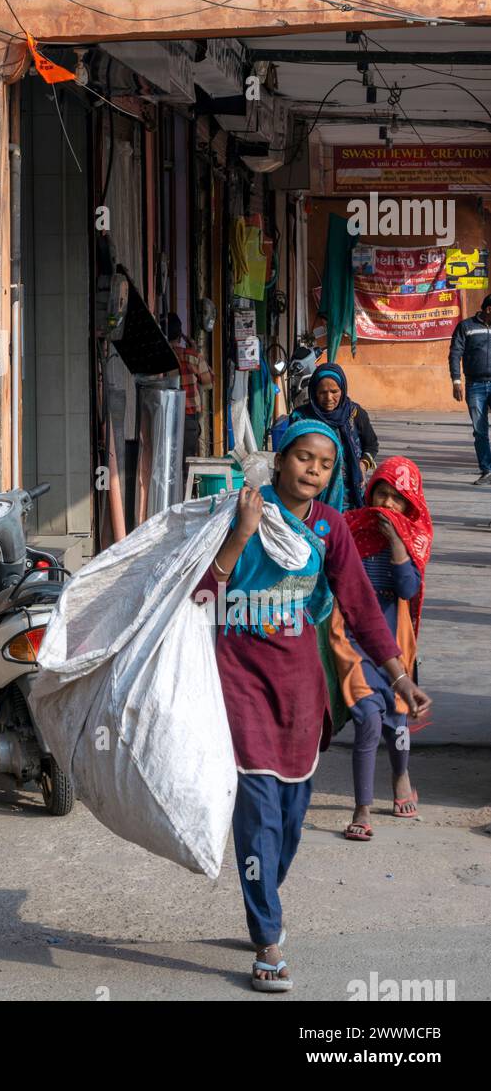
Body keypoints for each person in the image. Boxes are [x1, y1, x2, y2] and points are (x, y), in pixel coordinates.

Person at [194, 421, 430, 993]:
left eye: (324, 464)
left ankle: (263, 898)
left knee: (293, 811)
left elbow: (361, 606)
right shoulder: (241, 510)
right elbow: (201, 592)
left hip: (302, 683)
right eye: (303, 458)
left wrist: (399, 677)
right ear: (280, 462)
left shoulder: (328, 527)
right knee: (257, 804)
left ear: (333, 474)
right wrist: (242, 534)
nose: (313, 470)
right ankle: (267, 939)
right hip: (240, 674)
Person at [329, 456, 432, 841]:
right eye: (381, 493)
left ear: (410, 504)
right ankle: (362, 806)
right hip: (355, 638)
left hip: (394, 642)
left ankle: (401, 774)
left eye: (396, 498)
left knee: (398, 724)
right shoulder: (352, 528)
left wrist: (395, 543)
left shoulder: (414, 538)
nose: (387, 504)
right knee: (369, 721)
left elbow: (407, 589)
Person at [293, 363, 378, 509]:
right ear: (313, 392)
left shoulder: (355, 413)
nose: (329, 397)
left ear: (342, 390)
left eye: (334, 391)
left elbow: (371, 445)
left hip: (351, 494)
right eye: (322, 392)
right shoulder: (301, 417)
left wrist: (362, 465)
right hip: (313, 491)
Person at [449, 294, 491, 483]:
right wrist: (456, 381)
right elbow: (454, 353)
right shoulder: (466, 327)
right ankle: (487, 469)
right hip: (475, 385)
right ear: (488, 310)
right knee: (480, 430)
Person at [167, 313, 213, 465]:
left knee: (167, 461)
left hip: (164, 416)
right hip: (187, 418)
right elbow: (208, 381)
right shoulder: (191, 356)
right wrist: (195, 350)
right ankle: (186, 489)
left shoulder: (161, 355)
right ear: (181, 336)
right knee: (186, 463)